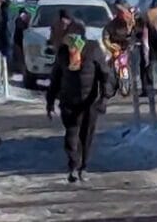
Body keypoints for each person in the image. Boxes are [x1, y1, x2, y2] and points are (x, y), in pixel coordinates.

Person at [45, 21, 117, 183]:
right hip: (69, 101)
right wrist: (50, 101)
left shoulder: (92, 50)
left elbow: (105, 75)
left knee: (85, 135)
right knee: (72, 134)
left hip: (89, 102)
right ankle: (74, 166)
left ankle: (82, 166)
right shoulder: (63, 53)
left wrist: (104, 97)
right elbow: (56, 77)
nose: (71, 43)